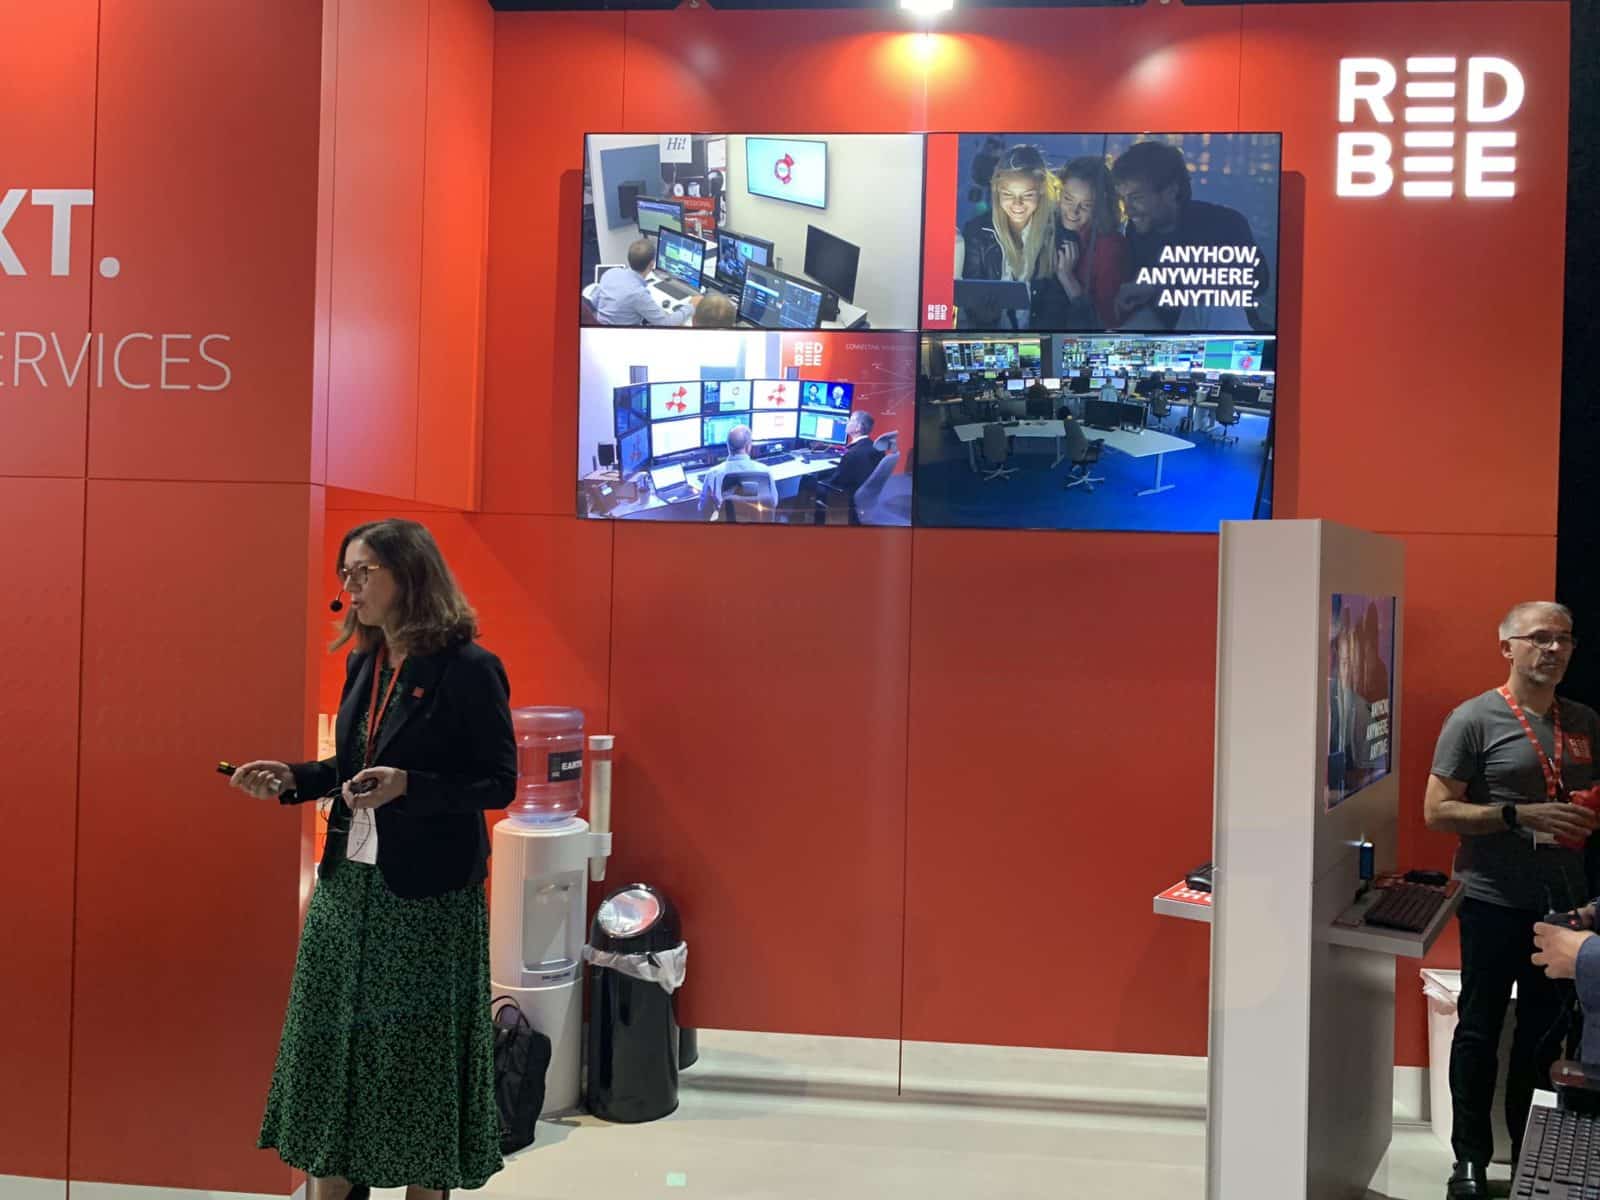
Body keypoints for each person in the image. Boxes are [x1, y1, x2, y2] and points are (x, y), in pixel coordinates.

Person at [230, 519, 515, 1200]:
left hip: (425, 900)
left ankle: (423, 1188)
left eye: (365, 573)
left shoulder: (471, 669)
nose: (350, 588)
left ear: (409, 576)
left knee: (413, 1062)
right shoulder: (365, 662)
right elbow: (349, 767)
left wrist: (411, 786)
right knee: (333, 1053)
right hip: (346, 892)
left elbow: (497, 783)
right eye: (345, 574)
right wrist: (295, 776)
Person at [1424, 602, 1600, 1199]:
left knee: (1544, 1038)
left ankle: (1531, 1155)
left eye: (1565, 640)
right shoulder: (1472, 719)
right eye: (1540, 639)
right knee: (1479, 1029)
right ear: (1508, 648)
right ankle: (1469, 1160)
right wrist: (1514, 814)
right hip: (1494, 901)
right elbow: (1437, 810)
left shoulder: (1584, 721)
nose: (1554, 650)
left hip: (1564, 905)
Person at [1109, 140, 1269, 332]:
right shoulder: (1134, 233)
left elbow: (1257, 281)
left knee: (1213, 300)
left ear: (1171, 191)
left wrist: (1160, 284)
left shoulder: (1224, 223)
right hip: (1170, 338)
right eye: (1123, 199)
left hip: (1223, 337)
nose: (1127, 209)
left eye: (1136, 198)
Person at [956, 144, 1060, 328]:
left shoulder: (1056, 234)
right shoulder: (976, 232)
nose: (1017, 204)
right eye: (1008, 194)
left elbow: (1058, 309)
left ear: (1041, 190)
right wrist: (986, 313)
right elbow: (970, 303)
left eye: (1027, 195)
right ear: (996, 190)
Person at [1031, 156, 1130, 330]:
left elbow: (1106, 324)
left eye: (1086, 205)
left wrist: (1068, 278)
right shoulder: (1047, 231)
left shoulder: (1110, 249)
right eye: (1068, 199)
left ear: (1100, 207)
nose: (1073, 212)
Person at [592, 237, 702, 327]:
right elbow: (666, 323)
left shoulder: (610, 273)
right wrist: (691, 306)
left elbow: (594, 301)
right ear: (651, 264)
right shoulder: (637, 293)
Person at [694, 423, 777, 518]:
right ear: (748, 446)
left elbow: (703, 509)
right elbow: (773, 502)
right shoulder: (765, 471)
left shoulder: (713, 474)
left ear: (728, 446)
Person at [827, 411, 886, 518]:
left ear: (858, 427)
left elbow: (835, 482)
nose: (847, 422)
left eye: (850, 420)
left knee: (808, 480)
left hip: (847, 494)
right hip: (866, 493)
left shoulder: (852, 454)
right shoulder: (876, 448)